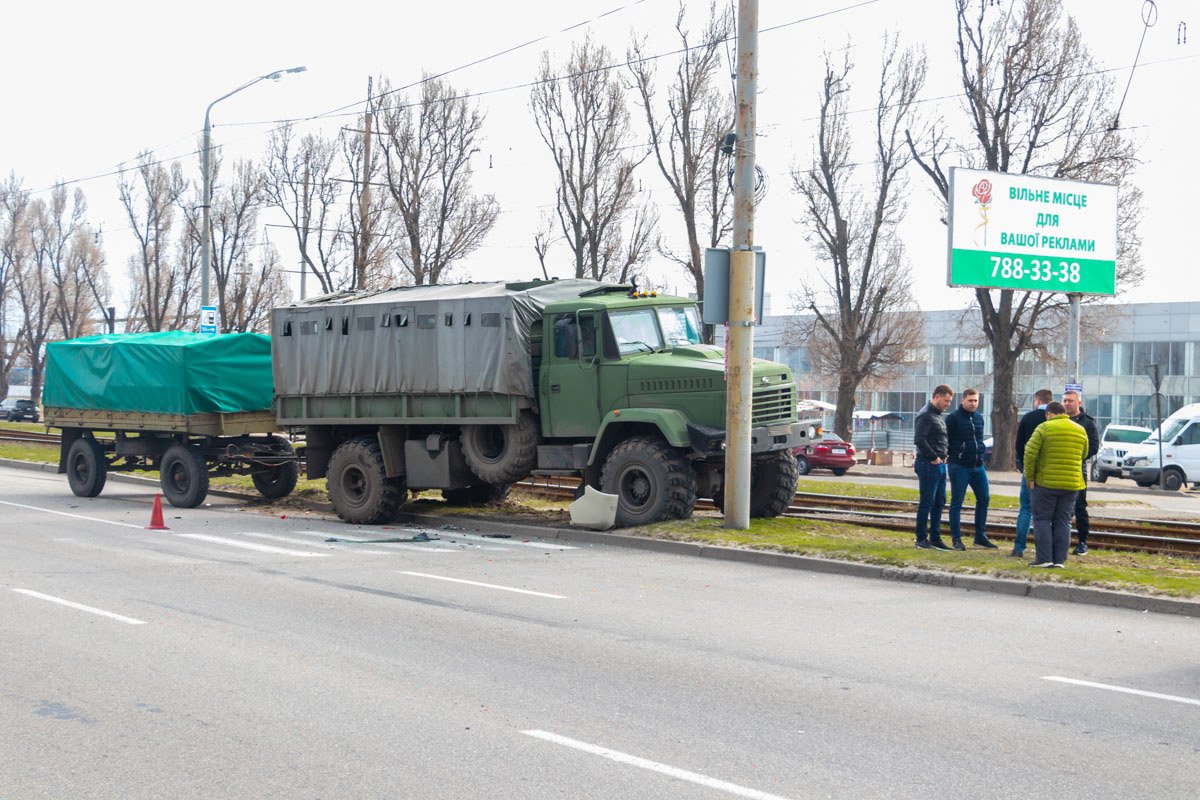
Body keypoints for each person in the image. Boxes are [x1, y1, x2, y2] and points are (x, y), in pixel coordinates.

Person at [1023, 401, 1089, 568]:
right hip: (1072, 484)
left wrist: (1030, 478)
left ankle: (1044, 558)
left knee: (1042, 519)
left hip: (1046, 483)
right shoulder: (1080, 430)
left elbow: (1029, 453)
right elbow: (1084, 453)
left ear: (1049, 414)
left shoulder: (1044, 428)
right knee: (1064, 521)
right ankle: (1059, 560)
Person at [945, 388, 996, 549]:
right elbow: (946, 440)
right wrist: (953, 456)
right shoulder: (953, 418)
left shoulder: (979, 418)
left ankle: (980, 536)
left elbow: (978, 439)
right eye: (970, 400)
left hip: (978, 466)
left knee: (984, 499)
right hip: (959, 466)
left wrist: (981, 452)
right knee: (957, 502)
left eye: (976, 400)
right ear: (963, 400)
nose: (973, 403)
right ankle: (956, 539)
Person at [1012, 388, 1053, 558]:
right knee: (1047, 513)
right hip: (1049, 471)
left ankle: (1019, 548)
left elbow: (1019, 444)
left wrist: (1022, 465)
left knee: (1026, 509)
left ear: (1037, 400)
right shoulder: (1054, 420)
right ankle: (1045, 550)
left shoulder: (1028, 417)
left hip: (1030, 470)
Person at [914, 384, 954, 551]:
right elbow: (919, 439)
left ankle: (935, 537)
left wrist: (944, 455)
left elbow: (939, 438)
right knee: (927, 501)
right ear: (937, 397)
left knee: (939, 501)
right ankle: (921, 538)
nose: (948, 404)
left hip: (939, 463)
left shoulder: (937, 415)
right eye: (946, 401)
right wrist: (934, 457)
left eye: (950, 401)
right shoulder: (926, 415)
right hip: (928, 463)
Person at [1063, 390, 1100, 555]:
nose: (1067, 404)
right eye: (1065, 401)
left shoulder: (1087, 422)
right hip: (1060, 467)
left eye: (1070, 401)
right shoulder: (1059, 420)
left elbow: (1093, 446)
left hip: (1078, 468)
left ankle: (1082, 542)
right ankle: (1060, 541)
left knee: (1079, 506)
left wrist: (1077, 455)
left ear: (1079, 403)